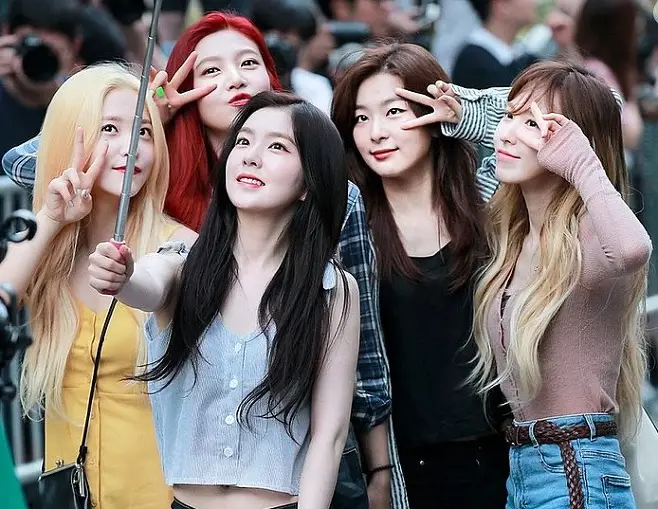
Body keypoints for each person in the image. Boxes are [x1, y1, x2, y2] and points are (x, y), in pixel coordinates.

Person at [2, 12, 393, 508]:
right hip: (78, 488)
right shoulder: (71, 241)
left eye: (248, 62)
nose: (234, 79)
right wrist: (150, 112)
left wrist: (381, 467)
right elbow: (25, 162)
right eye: (210, 70)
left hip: (179, 485)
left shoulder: (196, 245)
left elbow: (357, 371)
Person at [88, 90, 360, 509]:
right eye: (243, 141)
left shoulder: (331, 289)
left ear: (310, 182)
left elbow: (330, 436)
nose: (251, 157)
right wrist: (122, 276)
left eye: (277, 147)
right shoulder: (183, 264)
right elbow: (146, 285)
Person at [0, 63, 197, 508]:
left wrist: (142, 117)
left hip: (158, 496)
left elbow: (158, 280)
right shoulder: (47, 253)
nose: (133, 147)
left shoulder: (181, 244)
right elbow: (2, 299)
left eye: (144, 133)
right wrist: (51, 217)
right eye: (109, 128)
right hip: (68, 495)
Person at [457, 61, 650, 508]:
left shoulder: (592, 234)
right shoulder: (513, 235)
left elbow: (634, 250)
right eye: (509, 117)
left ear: (572, 142)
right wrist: (462, 112)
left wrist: (582, 161)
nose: (508, 133)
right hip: (526, 464)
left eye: (532, 124)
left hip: (576, 466)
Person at [331, 42, 509, 509]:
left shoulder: (487, 201)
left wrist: (462, 111)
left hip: (507, 457)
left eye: (394, 111)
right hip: (404, 467)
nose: (376, 132)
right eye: (361, 118)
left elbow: (578, 114)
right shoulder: (349, 227)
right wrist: (378, 471)